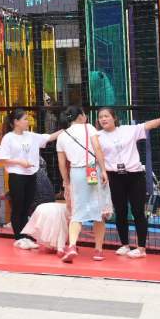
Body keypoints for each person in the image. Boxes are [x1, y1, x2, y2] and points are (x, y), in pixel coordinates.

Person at [96, 108, 160, 259]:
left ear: (114, 118)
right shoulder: (98, 136)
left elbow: (148, 125)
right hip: (114, 176)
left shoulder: (128, 130)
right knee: (120, 211)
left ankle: (141, 248)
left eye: (106, 116)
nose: (103, 119)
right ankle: (125, 244)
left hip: (135, 176)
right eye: (100, 117)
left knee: (138, 211)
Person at [0, 109, 61, 248]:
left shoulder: (31, 136)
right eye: (25, 119)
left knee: (27, 207)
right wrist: (20, 162)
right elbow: (2, 159)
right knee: (18, 206)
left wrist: (66, 130)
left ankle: (26, 236)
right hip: (16, 176)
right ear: (16, 122)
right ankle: (19, 238)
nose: (28, 121)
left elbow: (49, 137)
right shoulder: (9, 137)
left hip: (31, 175)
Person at [56, 105, 109, 263]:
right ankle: (98, 250)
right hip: (92, 169)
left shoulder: (62, 136)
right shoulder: (89, 128)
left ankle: (72, 245)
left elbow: (61, 163)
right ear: (81, 116)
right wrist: (104, 170)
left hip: (76, 172)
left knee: (77, 210)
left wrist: (66, 181)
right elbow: (97, 148)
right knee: (99, 209)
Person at [21, 186, 70, 253]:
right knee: (61, 227)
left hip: (42, 206)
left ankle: (57, 247)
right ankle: (60, 247)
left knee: (55, 227)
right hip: (50, 207)